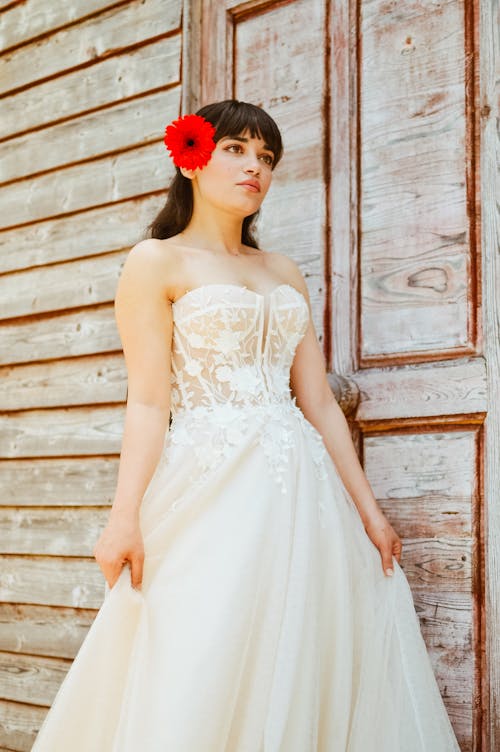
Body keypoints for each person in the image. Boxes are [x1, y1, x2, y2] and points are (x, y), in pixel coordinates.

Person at [31, 99, 461, 751]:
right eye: (236, 149)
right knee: (201, 651)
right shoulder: (156, 262)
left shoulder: (283, 272)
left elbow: (317, 401)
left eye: (266, 157)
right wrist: (123, 517)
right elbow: (148, 401)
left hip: (303, 498)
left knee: (303, 655)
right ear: (193, 157)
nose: (254, 167)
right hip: (210, 486)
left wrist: (369, 512)